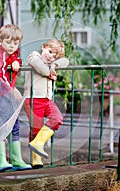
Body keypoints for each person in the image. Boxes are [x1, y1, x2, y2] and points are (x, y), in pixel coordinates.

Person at [0, 24, 31, 172]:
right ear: (0, 41)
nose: (12, 45)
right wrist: (12, 90)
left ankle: (16, 159)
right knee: (2, 125)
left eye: (16, 42)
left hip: (7, 95)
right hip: (1, 95)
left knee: (14, 126)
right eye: (8, 42)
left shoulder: (10, 54)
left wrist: (16, 62)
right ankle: (2, 161)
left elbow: (15, 62)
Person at [23, 39, 69, 169]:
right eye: (49, 52)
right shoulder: (34, 56)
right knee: (36, 129)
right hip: (33, 99)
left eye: (54, 56)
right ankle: (35, 159)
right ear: (43, 47)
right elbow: (41, 69)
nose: (51, 56)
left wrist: (54, 65)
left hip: (47, 99)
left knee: (57, 118)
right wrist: (50, 73)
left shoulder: (51, 63)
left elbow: (66, 61)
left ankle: (38, 143)